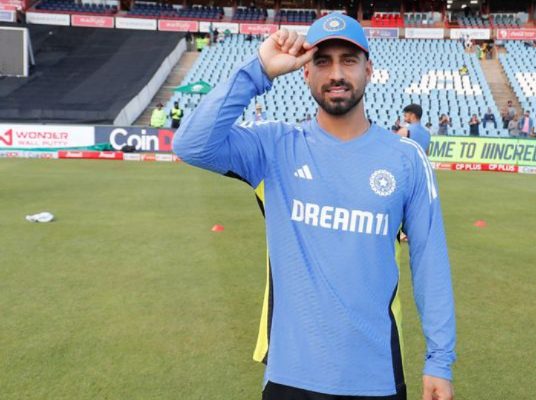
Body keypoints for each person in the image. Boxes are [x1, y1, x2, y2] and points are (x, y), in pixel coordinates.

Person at [172, 12, 455, 400]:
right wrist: (259, 70)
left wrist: (439, 360)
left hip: (375, 377)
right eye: (322, 61)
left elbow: (430, 262)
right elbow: (191, 144)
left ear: (368, 70)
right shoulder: (274, 146)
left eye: (348, 60)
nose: (336, 73)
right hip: (291, 376)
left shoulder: (406, 159)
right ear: (305, 72)